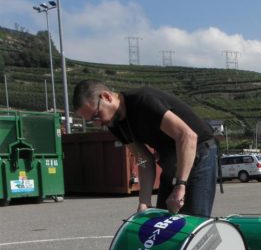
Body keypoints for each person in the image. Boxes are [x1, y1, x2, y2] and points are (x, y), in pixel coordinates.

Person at [73, 80, 218, 217]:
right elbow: (143, 160)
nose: (98, 124)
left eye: (96, 116)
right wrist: (144, 201)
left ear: (106, 97)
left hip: (198, 153)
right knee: (161, 224)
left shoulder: (143, 101)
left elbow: (187, 136)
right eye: (91, 121)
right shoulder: (115, 125)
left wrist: (180, 186)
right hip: (172, 161)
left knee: (193, 224)